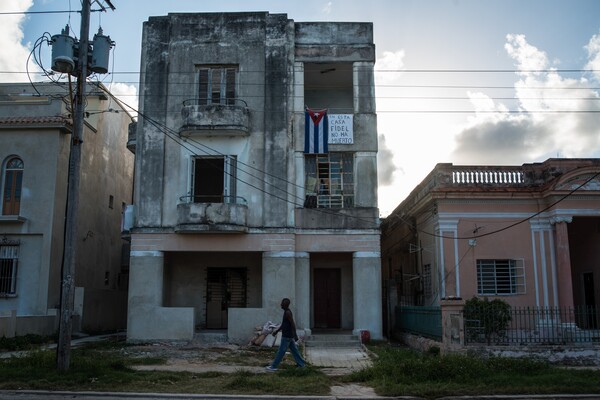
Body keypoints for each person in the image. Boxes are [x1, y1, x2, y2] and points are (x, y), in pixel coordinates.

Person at [265, 298, 306, 372]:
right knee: (294, 351)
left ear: (286, 305)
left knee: (281, 352)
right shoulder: (286, 312)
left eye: (282, 303)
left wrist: (295, 335)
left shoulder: (288, 313)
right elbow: (284, 324)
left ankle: (273, 367)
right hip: (288, 336)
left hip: (287, 336)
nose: (281, 304)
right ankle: (302, 364)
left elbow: (292, 324)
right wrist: (277, 331)